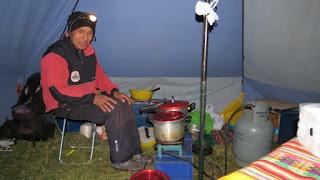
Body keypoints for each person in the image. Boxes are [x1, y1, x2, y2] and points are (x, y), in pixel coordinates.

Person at [41, 11, 151, 171]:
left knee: (123, 103)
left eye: (89, 33)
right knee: (113, 109)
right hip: (64, 103)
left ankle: (135, 152)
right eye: (80, 32)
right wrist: (93, 98)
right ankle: (120, 160)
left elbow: (100, 77)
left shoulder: (89, 52)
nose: (85, 38)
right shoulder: (55, 55)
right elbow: (59, 91)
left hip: (88, 98)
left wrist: (113, 91)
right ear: (69, 32)